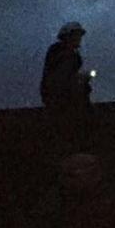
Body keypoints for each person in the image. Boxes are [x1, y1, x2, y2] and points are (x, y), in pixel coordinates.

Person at [40, 21, 93, 153]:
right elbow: (63, 81)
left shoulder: (56, 54)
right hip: (66, 107)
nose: (79, 39)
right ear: (68, 37)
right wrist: (81, 83)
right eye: (76, 35)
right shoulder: (68, 56)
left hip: (57, 104)